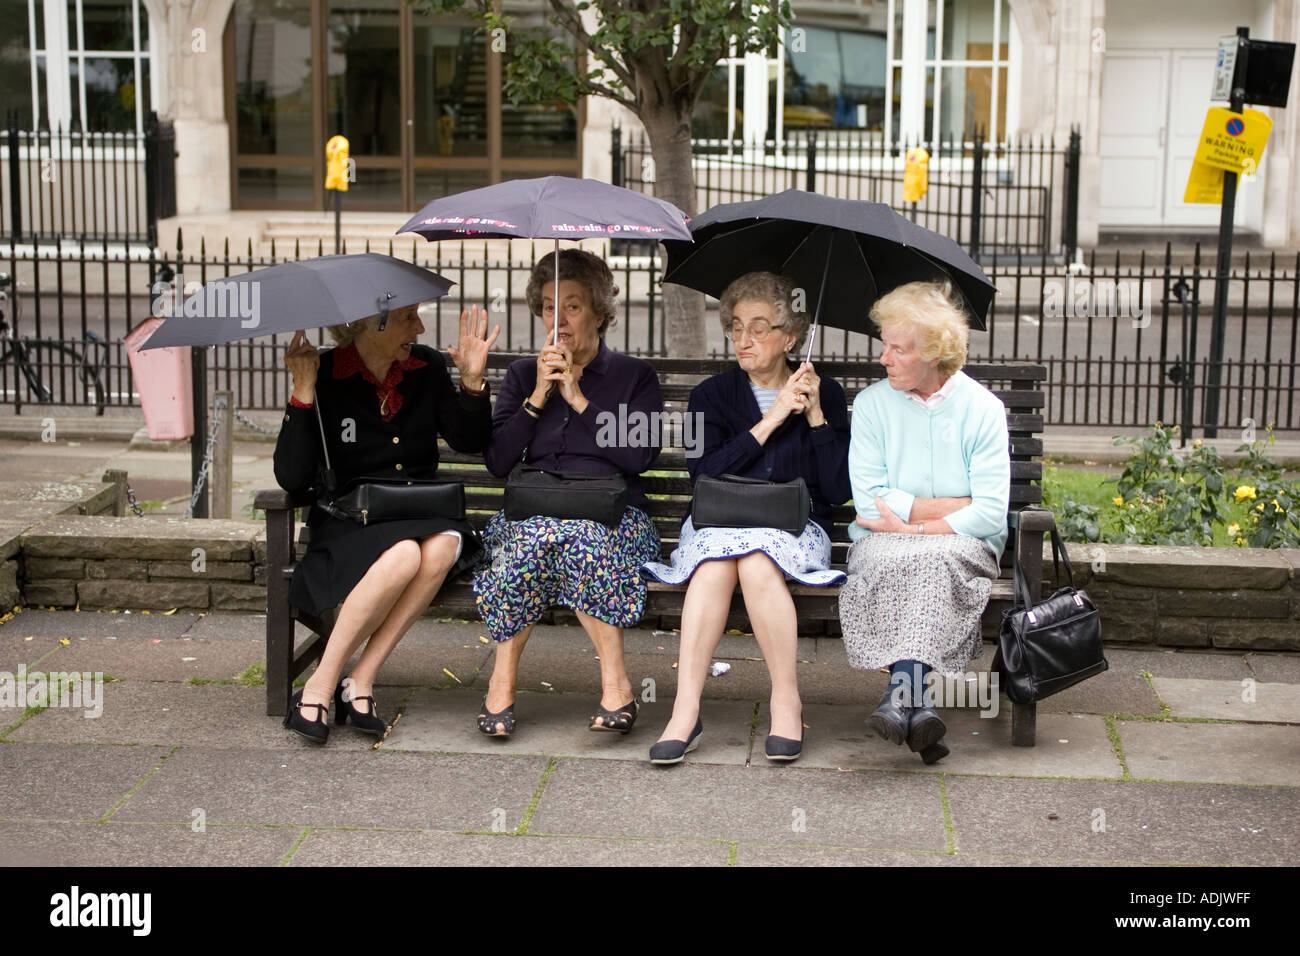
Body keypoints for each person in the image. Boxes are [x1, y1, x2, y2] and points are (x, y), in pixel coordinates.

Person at [643, 271, 851, 765]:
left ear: (791, 337)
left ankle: (786, 701)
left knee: (756, 561)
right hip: (718, 524)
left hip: (795, 529)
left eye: (759, 327)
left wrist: (816, 416)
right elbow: (703, 474)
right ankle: (685, 710)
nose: (743, 339)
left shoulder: (828, 394)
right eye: (736, 327)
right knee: (717, 565)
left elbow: (839, 492)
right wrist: (774, 416)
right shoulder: (709, 396)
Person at [275, 302, 499, 743]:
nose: (418, 327)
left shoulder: (426, 367)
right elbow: (292, 477)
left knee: (441, 545)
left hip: (420, 509)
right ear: (371, 322)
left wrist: (472, 382)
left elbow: (469, 441)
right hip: (349, 519)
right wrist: (303, 390)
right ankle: (327, 683)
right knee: (402, 555)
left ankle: (360, 679)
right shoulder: (322, 370)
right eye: (407, 317)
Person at [472, 249, 662, 737]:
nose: (559, 319)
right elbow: (497, 463)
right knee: (538, 538)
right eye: (550, 307)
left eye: (573, 306)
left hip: (614, 521)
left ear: (600, 311)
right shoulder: (521, 376)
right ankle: (505, 682)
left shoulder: (634, 377)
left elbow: (639, 459)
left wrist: (578, 398)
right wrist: (539, 395)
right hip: (533, 515)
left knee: (573, 537)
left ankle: (614, 685)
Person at [838, 279, 1010, 765]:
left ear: (934, 354)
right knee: (908, 561)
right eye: (884, 344)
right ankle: (918, 706)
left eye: (898, 348)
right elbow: (870, 504)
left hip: (962, 544)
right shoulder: (873, 405)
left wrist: (911, 520)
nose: (884, 357)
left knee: (932, 559)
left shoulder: (982, 410)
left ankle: (902, 694)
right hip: (885, 538)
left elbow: (991, 512)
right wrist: (957, 503)